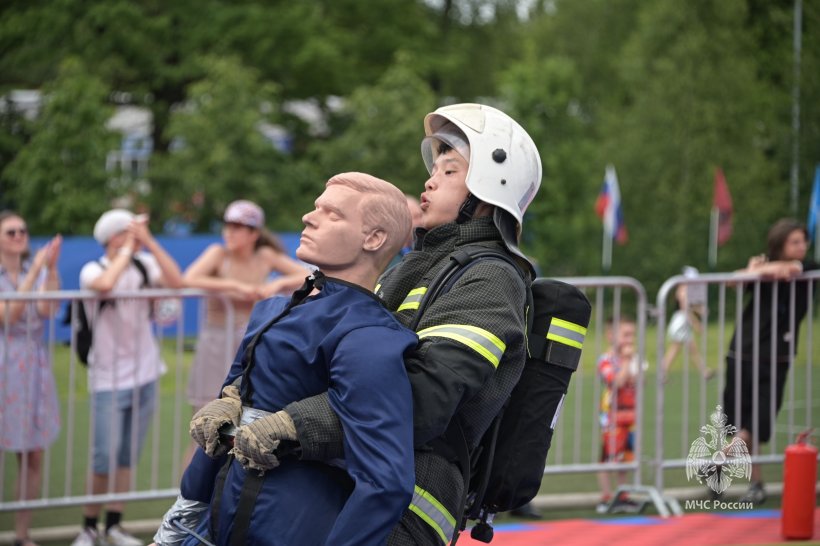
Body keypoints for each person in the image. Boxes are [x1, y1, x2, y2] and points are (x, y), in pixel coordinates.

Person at [239, 103, 543, 545]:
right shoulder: (419, 266)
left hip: (406, 507)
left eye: (450, 171)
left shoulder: (491, 279)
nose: (430, 180)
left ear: (489, 190)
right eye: (433, 169)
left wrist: (297, 423)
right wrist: (239, 397)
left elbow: (423, 397)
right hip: (350, 483)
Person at [152, 172, 417, 546]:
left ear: (373, 239)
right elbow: (221, 434)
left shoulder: (370, 334)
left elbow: (386, 483)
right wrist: (179, 523)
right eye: (316, 207)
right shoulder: (273, 311)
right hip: (221, 524)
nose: (309, 217)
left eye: (332, 214)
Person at [72, 210, 184, 546]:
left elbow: (177, 281)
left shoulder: (144, 264)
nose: (136, 237)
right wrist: (126, 249)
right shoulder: (92, 269)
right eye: (128, 231)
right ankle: (88, 527)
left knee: (126, 457)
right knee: (103, 458)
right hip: (108, 378)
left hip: (145, 373)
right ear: (113, 237)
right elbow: (105, 285)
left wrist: (150, 242)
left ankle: (114, 526)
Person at [181, 200, 309, 468]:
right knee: (205, 425)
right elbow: (189, 278)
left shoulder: (265, 256)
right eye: (228, 225)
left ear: (254, 233)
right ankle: (189, 491)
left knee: (243, 420)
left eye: (238, 226)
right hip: (215, 346)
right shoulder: (218, 254)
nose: (229, 232)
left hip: (249, 348)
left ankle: (224, 487)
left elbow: (306, 273)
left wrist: (279, 282)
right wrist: (233, 286)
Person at [723, 218, 816, 505]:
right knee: (740, 421)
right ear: (780, 244)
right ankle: (754, 482)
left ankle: (718, 462)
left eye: (803, 241)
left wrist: (757, 270)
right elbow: (732, 281)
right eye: (794, 242)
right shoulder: (762, 267)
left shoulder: (808, 267)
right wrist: (754, 270)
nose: (802, 246)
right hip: (742, 350)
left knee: (759, 421)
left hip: (777, 355)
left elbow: (789, 270)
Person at [0, 211, 62, 546]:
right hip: (4, 364)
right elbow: (9, 315)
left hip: (33, 368)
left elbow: (47, 309)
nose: (19, 236)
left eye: (22, 230)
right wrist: (37, 268)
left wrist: (50, 268)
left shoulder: (31, 272)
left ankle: (21, 533)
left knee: (32, 453)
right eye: (11, 231)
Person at [595, 316, 644, 514]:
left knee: (626, 458)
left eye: (632, 335)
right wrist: (626, 362)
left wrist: (632, 363)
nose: (630, 340)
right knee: (609, 457)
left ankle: (623, 495)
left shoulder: (633, 359)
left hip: (630, 417)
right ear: (611, 336)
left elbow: (640, 381)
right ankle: (606, 497)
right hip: (612, 417)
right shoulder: (605, 360)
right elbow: (616, 382)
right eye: (626, 335)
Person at [661, 266, 714, 382]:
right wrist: (696, 323)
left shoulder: (686, 289)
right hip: (681, 321)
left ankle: (704, 371)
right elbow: (685, 309)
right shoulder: (683, 289)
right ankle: (663, 371)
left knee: (689, 348)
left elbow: (689, 306)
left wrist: (699, 310)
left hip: (683, 321)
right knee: (676, 348)